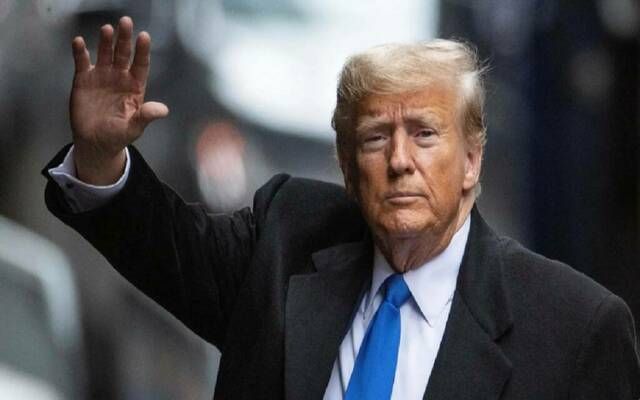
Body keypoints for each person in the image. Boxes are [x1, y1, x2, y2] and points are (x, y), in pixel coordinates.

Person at [43, 16, 640, 400]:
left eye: (425, 135)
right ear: (348, 168)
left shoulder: (575, 328)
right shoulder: (288, 237)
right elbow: (161, 241)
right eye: (376, 138)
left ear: (471, 160)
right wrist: (99, 155)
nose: (400, 161)